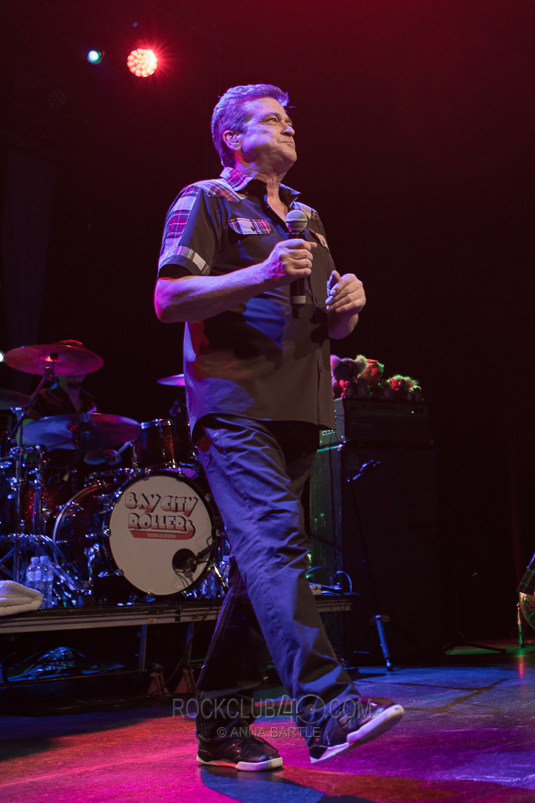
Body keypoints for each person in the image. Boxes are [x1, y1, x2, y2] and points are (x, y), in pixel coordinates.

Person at [154, 84, 404, 771]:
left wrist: (348, 309)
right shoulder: (206, 198)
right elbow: (169, 298)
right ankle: (328, 708)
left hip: (300, 409)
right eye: (271, 119)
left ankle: (217, 728)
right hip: (235, 403)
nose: (288, 128)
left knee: (256, 568)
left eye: (290, 120)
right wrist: (259, 271)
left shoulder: (306, 216)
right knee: (274, 547)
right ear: (232, 138)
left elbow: (325, 322)